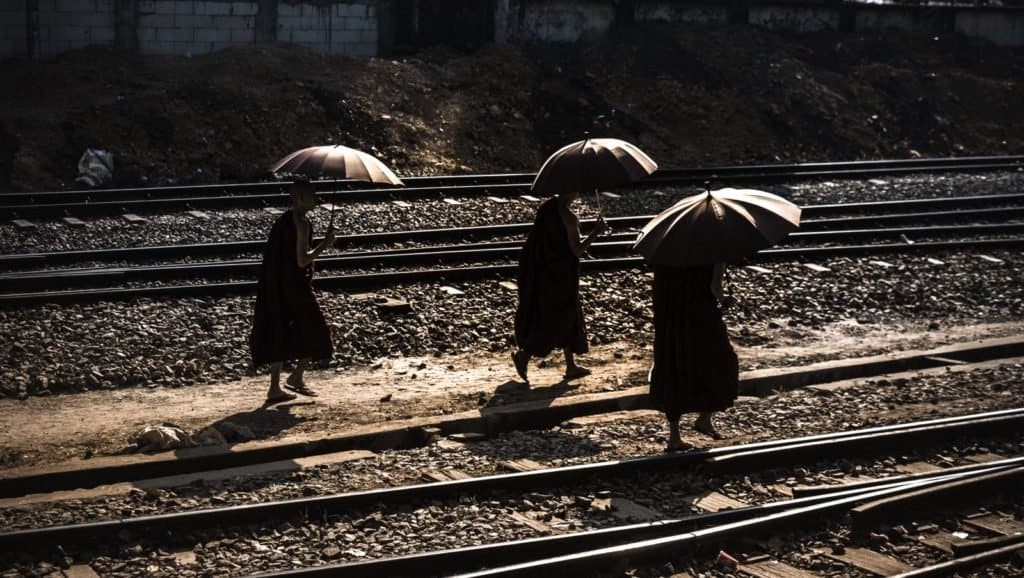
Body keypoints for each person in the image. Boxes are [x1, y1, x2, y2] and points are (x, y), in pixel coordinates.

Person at [250, 179, 337, 404]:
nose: (315, 198)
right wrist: (325, 245)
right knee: (317, 329)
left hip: (278, 285)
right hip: (296, 287)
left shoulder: (284, 220)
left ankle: (275, 388)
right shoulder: (301, 223)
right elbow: (302, 260)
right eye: (311, 195)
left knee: (280, 330)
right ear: (299, 198)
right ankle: (297, 376)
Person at [512, 191, 608, 384]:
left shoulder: (547, 208)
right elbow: (577, 250)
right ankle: (524, 356)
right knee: (559, 318)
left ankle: (571, 366)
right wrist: (596, 232)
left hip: (544, 272)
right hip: (562, 276)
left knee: (563, 316)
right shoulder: (570, 218)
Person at [649, 263, 738, 451]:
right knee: (723, 362)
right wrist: (726, 300)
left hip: (670, 320)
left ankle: (674, 437)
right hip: (702, 318)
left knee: (673, 367)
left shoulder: (665, 250)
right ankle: (705, 418)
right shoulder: (713, 247)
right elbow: (714, 288)